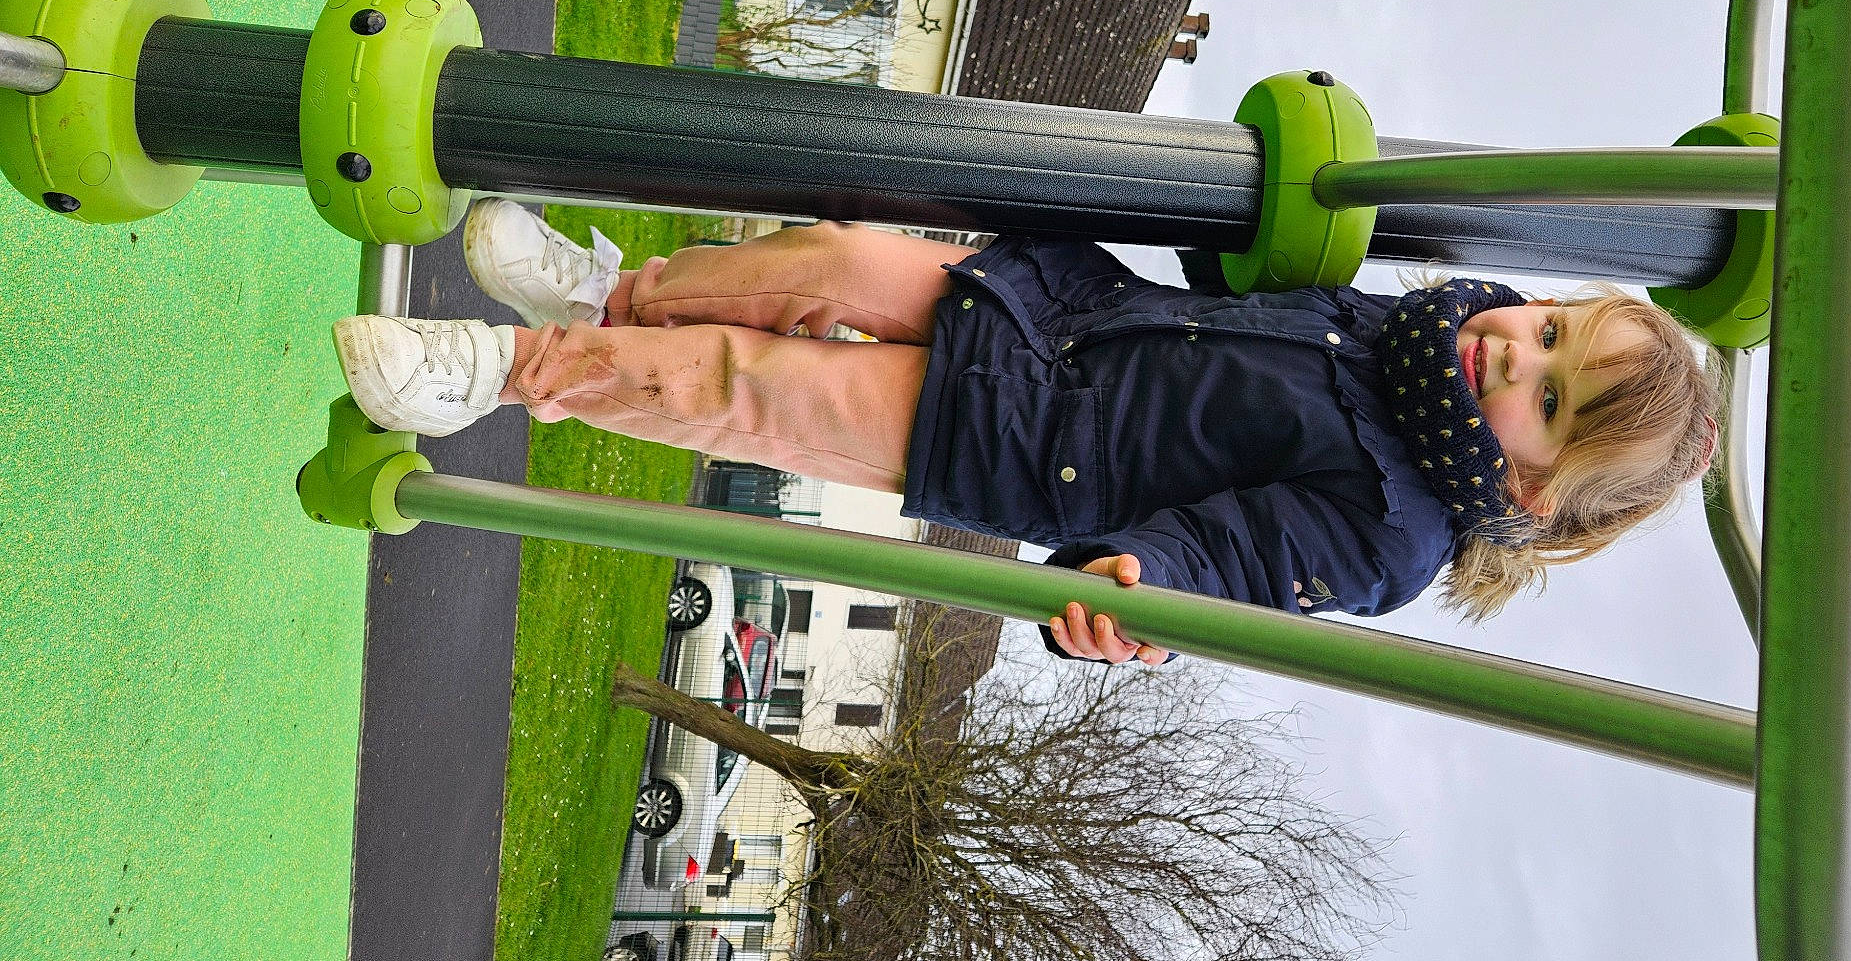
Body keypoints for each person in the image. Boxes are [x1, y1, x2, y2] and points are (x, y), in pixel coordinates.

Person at [333, 202, 1720, 665]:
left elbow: (1232, 557)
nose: (1512, 351)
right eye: (1549, 330)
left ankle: (497, 370)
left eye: (1544, 395)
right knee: (821, 262)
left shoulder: (1393, 532)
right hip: (1056, 315)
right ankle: (610, 293)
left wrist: (1142, 594)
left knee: (756, 386)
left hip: (1024, 448)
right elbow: (1248, 285)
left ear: (1537, 492)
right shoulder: (1404, 327)